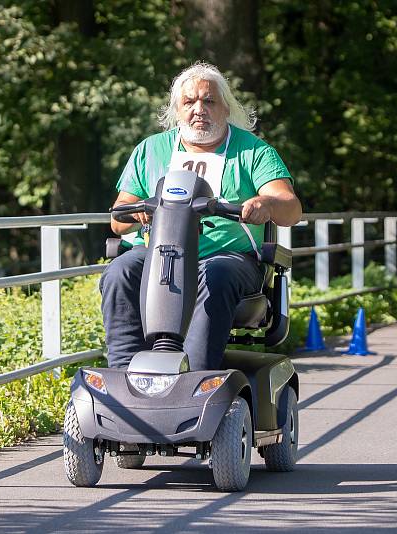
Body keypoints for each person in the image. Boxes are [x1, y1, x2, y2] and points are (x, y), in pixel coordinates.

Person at [100, 62, 302, 371]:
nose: (199, 109)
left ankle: (196, 378)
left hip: (228, 258)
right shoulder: (150, 150)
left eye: (209, 101)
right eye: (189, 102)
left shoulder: (253, 152)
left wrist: (266, 204)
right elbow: (118, 218)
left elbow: (290, 207)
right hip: (161, 255)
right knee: (120, 271)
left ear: (226, 108)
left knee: (216, 275)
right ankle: (124, 375)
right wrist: (138, 208)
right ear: (177, 110)